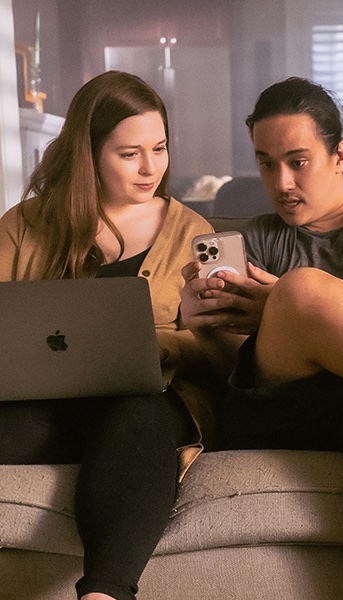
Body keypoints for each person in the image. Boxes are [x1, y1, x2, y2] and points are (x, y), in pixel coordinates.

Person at [180, 76, 343, 600]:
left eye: (297, 161)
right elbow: (239, 373)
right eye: (266, 163)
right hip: (284, 405)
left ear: (340, 155)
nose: (281, 181)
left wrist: (282, 303)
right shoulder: (256, 239)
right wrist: (207, 328)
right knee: (304, 291)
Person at [0, 70, 215, 600]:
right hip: (40, 409)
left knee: (138, 416)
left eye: (159, 148)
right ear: (89, 154)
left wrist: (151, 345)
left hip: (145, 405)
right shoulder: (22, 226)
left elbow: (220, 357)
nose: (151, 168)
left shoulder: (194, 235)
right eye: (129, 154)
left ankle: (105, 594)